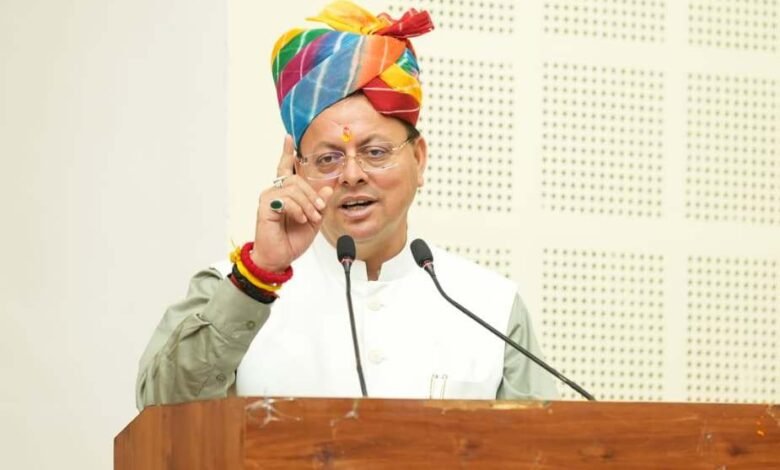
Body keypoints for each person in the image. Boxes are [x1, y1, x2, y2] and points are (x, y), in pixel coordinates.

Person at [136, 0, 557, 410]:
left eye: (375, 152)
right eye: (328, 159)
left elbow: (544, 445)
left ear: (419, 159)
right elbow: (158, 412)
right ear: (296, 170)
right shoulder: (231, 288)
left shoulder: (491, 307)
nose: (352, 175)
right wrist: (261, 272)